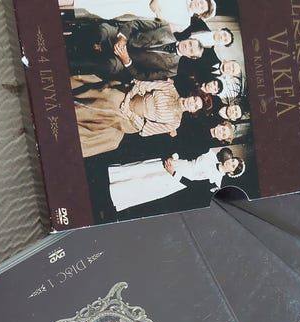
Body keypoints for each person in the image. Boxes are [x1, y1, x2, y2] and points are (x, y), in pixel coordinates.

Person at [73, 77, 204, 156]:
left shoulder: (175, 122)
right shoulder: (170, 88)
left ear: (193, 111)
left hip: (132, 122)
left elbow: (146, 129)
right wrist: (128, 99)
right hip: (130, 97)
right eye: (194, 99)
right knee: (112, 99)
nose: (191, 103)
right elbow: (143, 85)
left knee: (114, 118)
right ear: (191, 95)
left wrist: (129, 113)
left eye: (195, 106)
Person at [63, 17, 205, 80]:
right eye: (190, 43)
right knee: (102, 31)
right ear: (188, 39)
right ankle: (64, 40)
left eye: (191, 50)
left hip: (123, 61)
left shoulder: (171, 70)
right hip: (119, 36)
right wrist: (122, 38)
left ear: (190, 57)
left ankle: (68, 63)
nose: (187, 46)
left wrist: (126, 61)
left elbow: (142, 76)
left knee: (109, 65)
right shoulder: (165, 28)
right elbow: (135, 24)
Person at [108, 147, 245, 211]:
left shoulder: (216, 183)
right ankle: (112, 177)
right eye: (232, 160)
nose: (230, 162)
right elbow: (189, 151)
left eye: (233, 166)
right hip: (178, 163)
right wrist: (173, 157)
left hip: (176, 180)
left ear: (231, 172)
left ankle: (113, 193)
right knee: (143, 169)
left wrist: (173, 173)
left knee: (145, 184)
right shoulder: (210, 155)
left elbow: (194, 186)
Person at [59, 0, 216, 33]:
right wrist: (158, 9)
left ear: (200, 14)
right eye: (201, 1)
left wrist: (159, 12)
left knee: (100, 7)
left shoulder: (184, 22)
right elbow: (155, 4)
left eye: (202, 7)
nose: (199, 3)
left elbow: (162, 28)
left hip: (138, 10)